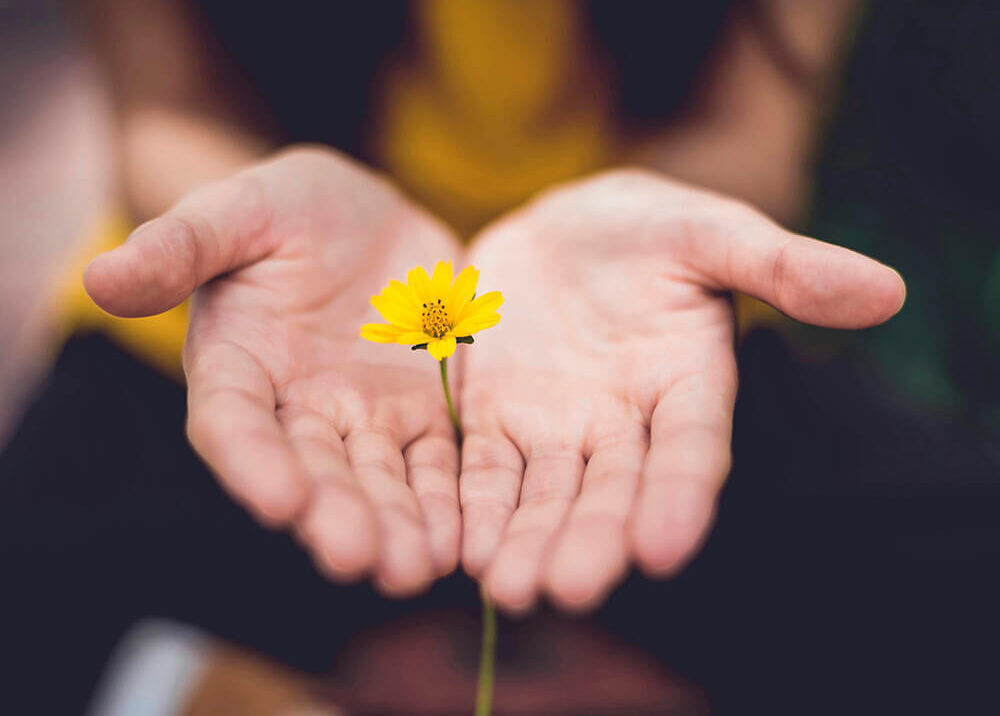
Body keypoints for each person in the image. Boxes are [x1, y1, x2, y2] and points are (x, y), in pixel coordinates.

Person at [3, 1, 997, 714]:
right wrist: (244, 212)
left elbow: (750, 132)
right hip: (271, 338)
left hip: (627, 346)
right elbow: (168, 109)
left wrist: (646, 219)